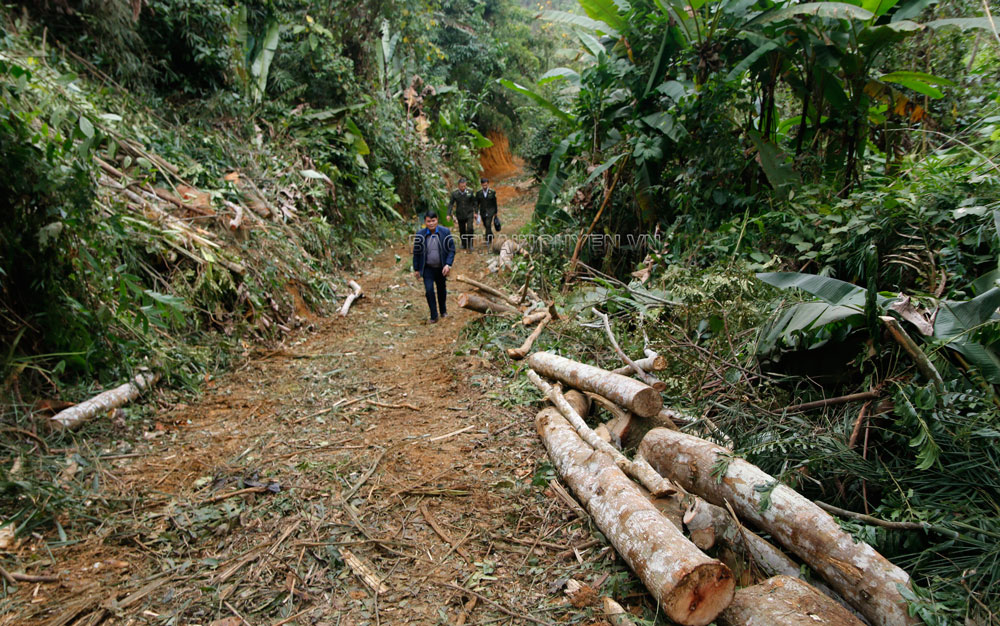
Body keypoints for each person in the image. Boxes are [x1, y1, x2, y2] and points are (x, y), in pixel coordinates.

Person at [412, 211, 456, 323]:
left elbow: (451, 249)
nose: (431, 223)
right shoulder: (420, 235)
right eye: (428, 221)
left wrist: (448, 264)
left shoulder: (445, 232)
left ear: (437, 220)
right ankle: (433, 315)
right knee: (429, 290)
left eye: (433, 221)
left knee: (442, 289)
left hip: (441, 267)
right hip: (427, 268)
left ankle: (443, 311)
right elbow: (416, 252)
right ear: (425, 222)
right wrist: (416, 269)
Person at [447, 177, 476, 252]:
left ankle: (470, 244)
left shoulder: (470, 191)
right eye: (461, 186)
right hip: (460, 214)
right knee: (462, 230)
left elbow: (474, 202)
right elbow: (451, 204)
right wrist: (448, 214)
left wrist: (476, 212)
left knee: (470, 228)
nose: (463, 188)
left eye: (464, 186)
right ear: (458, 186)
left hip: (469, 213)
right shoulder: (455, 193)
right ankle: (464, 243)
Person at [476, 176, 498, 248]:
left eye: (486, 185)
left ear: (488, 184)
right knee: (485, 224)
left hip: (491, 211)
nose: (485, 186)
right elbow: (477, 203)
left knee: (488, 224)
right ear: (481, 185)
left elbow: (495, 202)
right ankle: (491, 235)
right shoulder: (479, 193)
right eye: (483, 185)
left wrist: (495, 212)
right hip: (483, 211)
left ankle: (488, 239)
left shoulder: (492, 192)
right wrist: (476, 212)